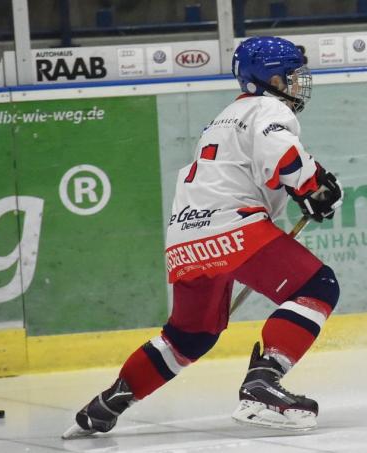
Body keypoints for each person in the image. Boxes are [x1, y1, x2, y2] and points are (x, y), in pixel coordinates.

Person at [62, 36, 344, 438]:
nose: (298, 85)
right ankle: (263, 382)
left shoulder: (225, 117)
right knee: (318, 286)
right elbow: (281, 153)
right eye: (291, 77)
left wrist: (305, 191)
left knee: (188, 338)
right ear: (271, 79)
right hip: (233, 226)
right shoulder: (268, 108)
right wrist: (313, 186)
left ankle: (108, 403)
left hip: (186, 237)